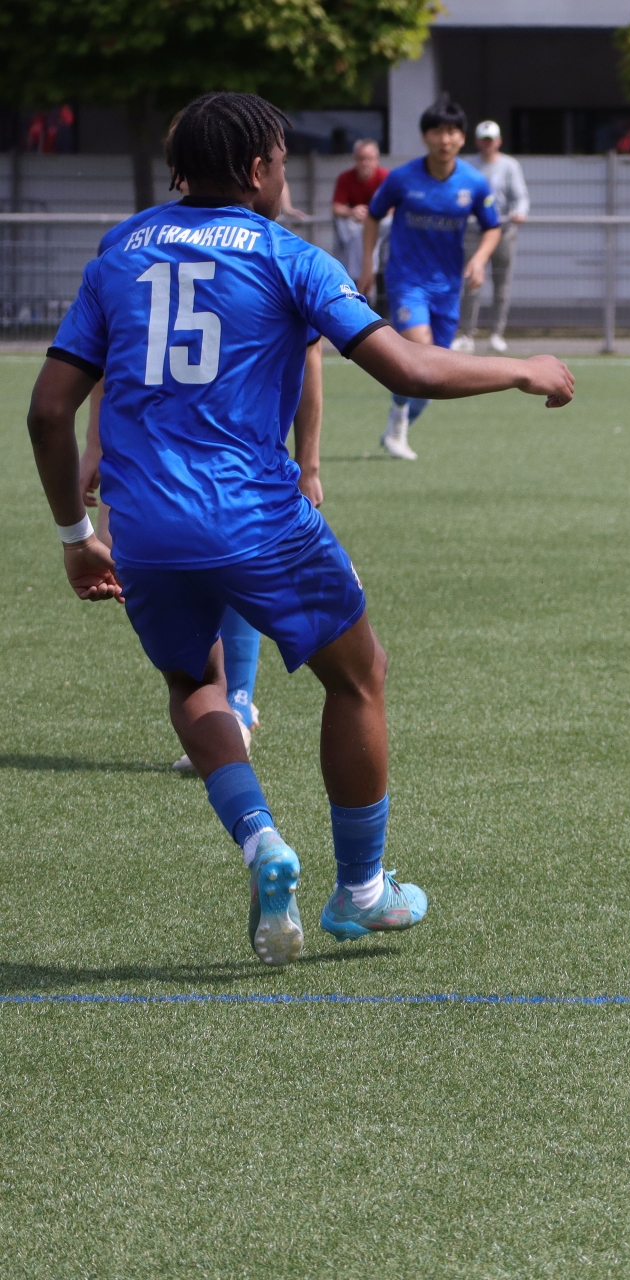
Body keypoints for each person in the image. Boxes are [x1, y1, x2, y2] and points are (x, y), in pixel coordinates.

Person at [26, 91, 574, 966]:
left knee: (191, 684)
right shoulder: (291, 256)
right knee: (359, 678)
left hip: (144, 525)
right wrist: (521, 367)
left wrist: (72, 534)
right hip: (260, 518)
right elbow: (405, 365)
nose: (287, 175)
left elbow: (49, 409)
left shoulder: (117, 252)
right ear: (256, 171)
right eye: (281, 160)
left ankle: (260, 841)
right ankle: (361, 891)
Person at [80, 334, 324, 775]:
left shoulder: (272, 262)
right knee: (157, 568)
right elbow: (108, 349)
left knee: (235, 552)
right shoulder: (117, 262)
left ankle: (237, 705)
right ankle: (224, 720)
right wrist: (95, 446)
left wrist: (308, 464)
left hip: (239, 438)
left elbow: (309, 347)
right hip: (150, 442)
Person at [359, 95, 502, 459]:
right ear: (425, 137)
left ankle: (397, 420)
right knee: (420, 353)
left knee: (435, 375)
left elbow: (492, 228)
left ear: (462, 138)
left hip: (448, 286)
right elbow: (373, 216)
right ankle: (399, 426)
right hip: (407, 281)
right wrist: (366, 265)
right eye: (437, 131)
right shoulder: (402, 179)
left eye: (453, 132)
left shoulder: (474, 183)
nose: (445, 139)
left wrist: (481, 260)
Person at [455, 120, 529, 354]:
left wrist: (520, 212)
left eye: (492, 139)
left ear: (499, 141)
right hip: (475, 232)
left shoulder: (510, 165)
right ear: (477, 141)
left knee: (502, 284)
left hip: (503, 231)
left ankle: (497, 333)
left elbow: (521, 196)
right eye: (484, 140)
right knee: (471, 283)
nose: (488, 144)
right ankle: (466, 333)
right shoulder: (467, 165)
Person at [330, 139, 387, 284]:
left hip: (380, 223)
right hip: (356, 225)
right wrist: (352, 212)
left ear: (377, 160)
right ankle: (356, 280)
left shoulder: (386, 177)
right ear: (355, 159)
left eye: (369, 159)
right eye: (361, 158)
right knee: (352, 231)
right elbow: (336, 207)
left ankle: (371, 278)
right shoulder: (345, 177)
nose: (365, 163)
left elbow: (394, 207)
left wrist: (373, 215)